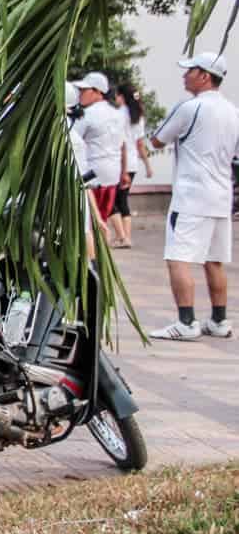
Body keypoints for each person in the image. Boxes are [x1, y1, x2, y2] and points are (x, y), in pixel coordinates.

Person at [147, 52, 239, 340]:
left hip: (191, 196)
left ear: (205, 76)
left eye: (190, 71)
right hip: (220, 196)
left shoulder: (191, 107)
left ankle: (186, 322)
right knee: (214, 260)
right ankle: (219, 320)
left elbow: (157, 138)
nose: (184, 75)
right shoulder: (232, 111)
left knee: (178, 258)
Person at [69, 71, 126, 227]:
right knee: (102, 219)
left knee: (87, 224)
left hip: (92, 174)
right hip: (112, 174)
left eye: (84, 91)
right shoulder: (118, 114)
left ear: (97, 91)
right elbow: (122, 145)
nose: (80, 94)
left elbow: (72, 139)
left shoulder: (87, 115)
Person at [110, 82, 153, 249]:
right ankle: (126, 237)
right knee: (123, 200)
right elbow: (140, 144)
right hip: (133, 163)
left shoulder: (118, 115)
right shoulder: (138, 116)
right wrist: (148, 166)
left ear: (121, 96)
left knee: (112, 202)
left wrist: (123, 169)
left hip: (120, 162)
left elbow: (120, 143)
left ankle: (122, 237)